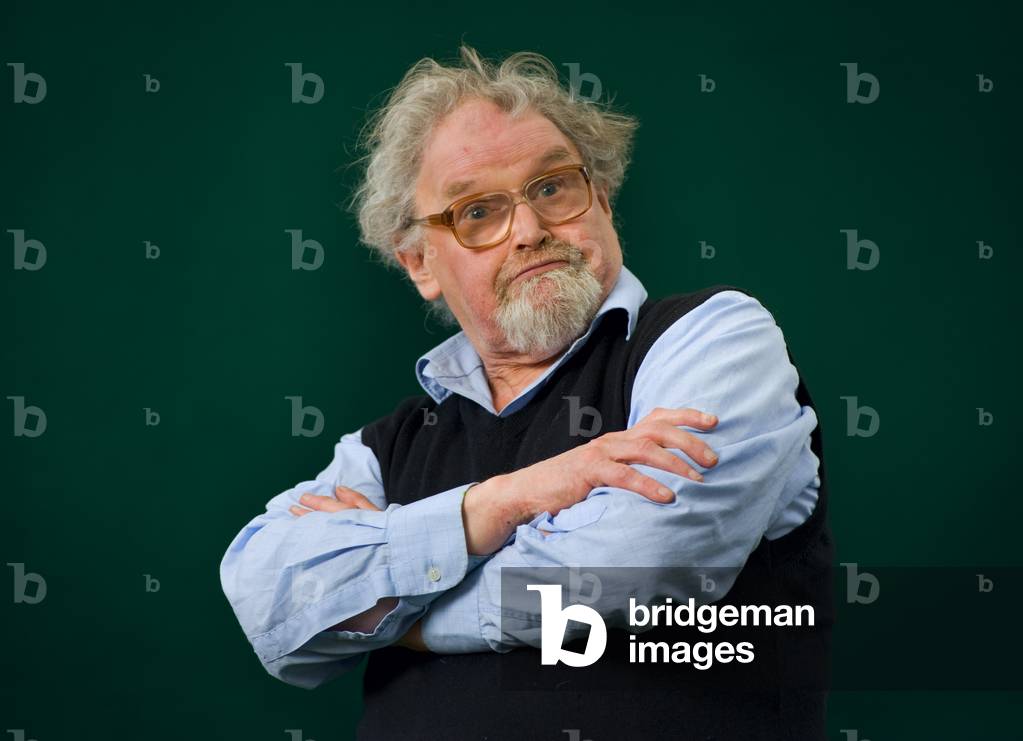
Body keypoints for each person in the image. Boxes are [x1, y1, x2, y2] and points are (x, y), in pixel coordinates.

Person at [220, 44, 833, 740]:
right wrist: (503, 501)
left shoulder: (711, 337)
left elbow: (643, 560)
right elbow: (269, 599)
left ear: (600, 196)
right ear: (419, 261)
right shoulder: (381, 449)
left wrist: (403, 614)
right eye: (477, 211)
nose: (530, 230)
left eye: (552, 188)